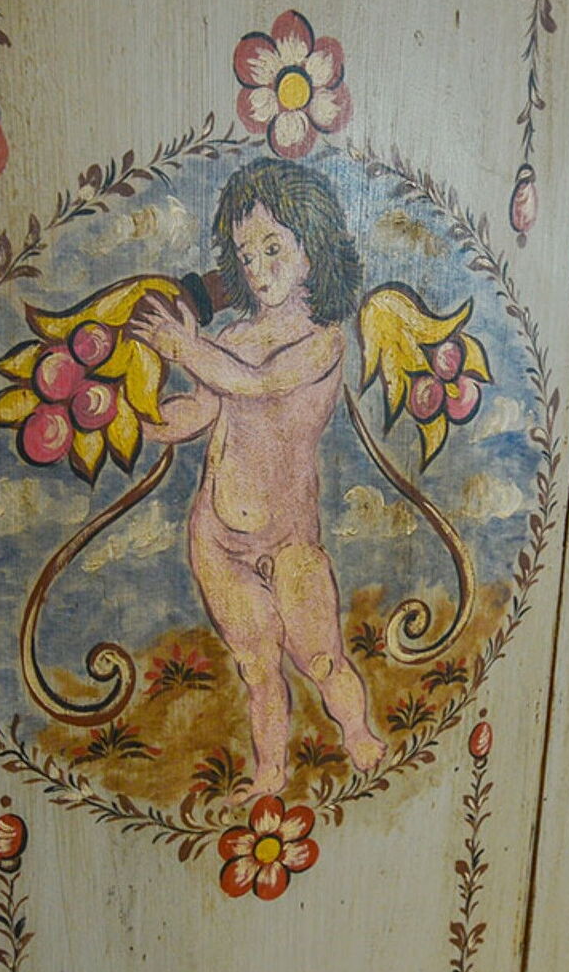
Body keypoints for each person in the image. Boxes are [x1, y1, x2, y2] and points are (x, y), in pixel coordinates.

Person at [128, 159, 385, 799]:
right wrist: (140, 416)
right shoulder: (235, 336)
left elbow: (259, 384)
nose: (259, 268)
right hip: (217, 537)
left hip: (288, 540)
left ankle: (357, 731)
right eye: (246, 255)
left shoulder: (323, 341)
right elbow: (204, 407)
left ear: (312, 247)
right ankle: (269, 771)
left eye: (273, 248)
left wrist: (187, 348)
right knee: (257, 665)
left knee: (320, 657)